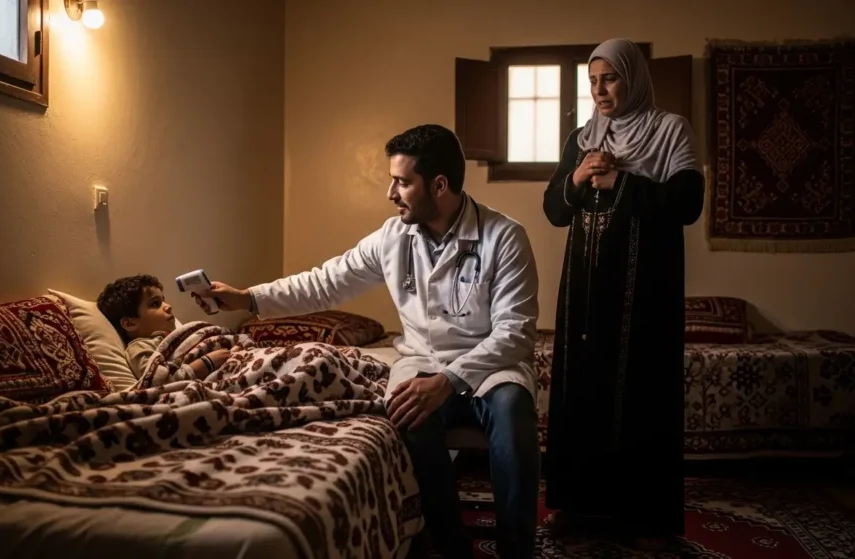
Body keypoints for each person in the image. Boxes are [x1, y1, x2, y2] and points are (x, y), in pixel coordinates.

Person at [194, 124, 541, 559]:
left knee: (513, 410)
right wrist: (248, 298)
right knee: (408, 413)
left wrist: (449, 380)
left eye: (402, 181)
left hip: (490, 365)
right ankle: (451, 545)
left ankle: (516, 548)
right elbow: (324, 283)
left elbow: (515, 332)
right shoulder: (392, 237)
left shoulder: (504, 237)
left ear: (439, 185)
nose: (391, 192)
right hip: (421, 360)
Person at [541, 38, 704, 549]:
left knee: (641, 391)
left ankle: (643, 514)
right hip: (586, 292)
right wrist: (579, 175)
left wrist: (622, 183)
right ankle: (575, 505)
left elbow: (689, 202)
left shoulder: (669, 130)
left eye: (609, 78)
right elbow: (554, 208)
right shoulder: (584, 136)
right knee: (581, 390)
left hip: (644, 293)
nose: (599, 90)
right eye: (592, 81)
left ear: (632, 77)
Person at [97, 274, 229, 380]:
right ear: (130, 323)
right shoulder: (139, 347)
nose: (168, 306)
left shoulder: (174, 337)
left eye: (163, 300)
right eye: (155, 303)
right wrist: (205, 364)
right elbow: (159, 381)